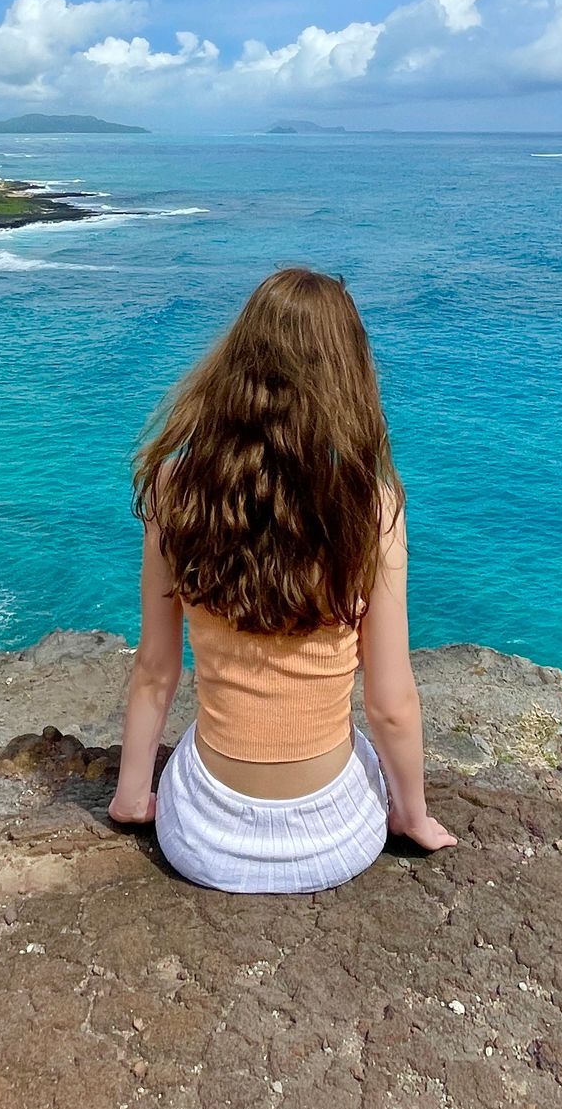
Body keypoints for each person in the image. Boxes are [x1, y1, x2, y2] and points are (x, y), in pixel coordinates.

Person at [107, 265, 456, 892]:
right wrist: (411, 815)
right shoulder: (370, 506)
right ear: (347, 374)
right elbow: (391, 704)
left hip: (202, 838)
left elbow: (156, 670)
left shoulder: (176, 488)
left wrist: (134, 797)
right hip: (337, 838)